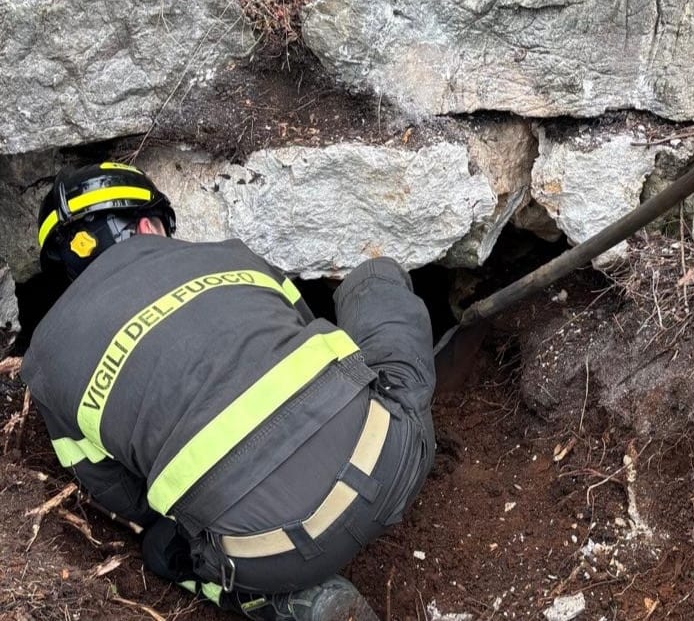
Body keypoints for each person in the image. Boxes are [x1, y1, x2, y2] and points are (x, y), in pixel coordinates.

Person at [21, 162, 437, 620]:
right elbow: (313, 336)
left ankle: (291, 602)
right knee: (374, 278)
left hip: (266, 554)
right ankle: (412, 409)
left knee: (162, 549)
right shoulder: (231, 254)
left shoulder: (46, 362)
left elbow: (119, 494)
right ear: (146, 225)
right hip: (386, 461)